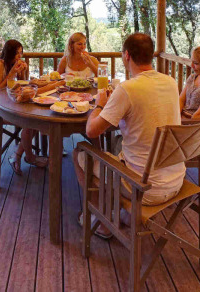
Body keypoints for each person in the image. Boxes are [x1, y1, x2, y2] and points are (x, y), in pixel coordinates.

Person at [72, 33, 183, 238]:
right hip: (176, 180)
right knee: (117, 144)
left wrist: (100, 104)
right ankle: (123, 213)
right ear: (151, 56)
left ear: (127, 56)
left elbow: (91, 131)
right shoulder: (170, 82)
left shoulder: (128, 89)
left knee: (79, 151)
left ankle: (103, 221)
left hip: (144, 188)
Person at [0, 39, 63, 175]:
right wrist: (12, 72)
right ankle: (28, 157)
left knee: (35, 119)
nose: (19, 56)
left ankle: (17, 156)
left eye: (21, 53)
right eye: (17, 53)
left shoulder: (14, 64)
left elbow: (21, 85)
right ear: (9, 53)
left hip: (14, 100)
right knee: (31, 122)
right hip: (1, 106)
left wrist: (22, 71)